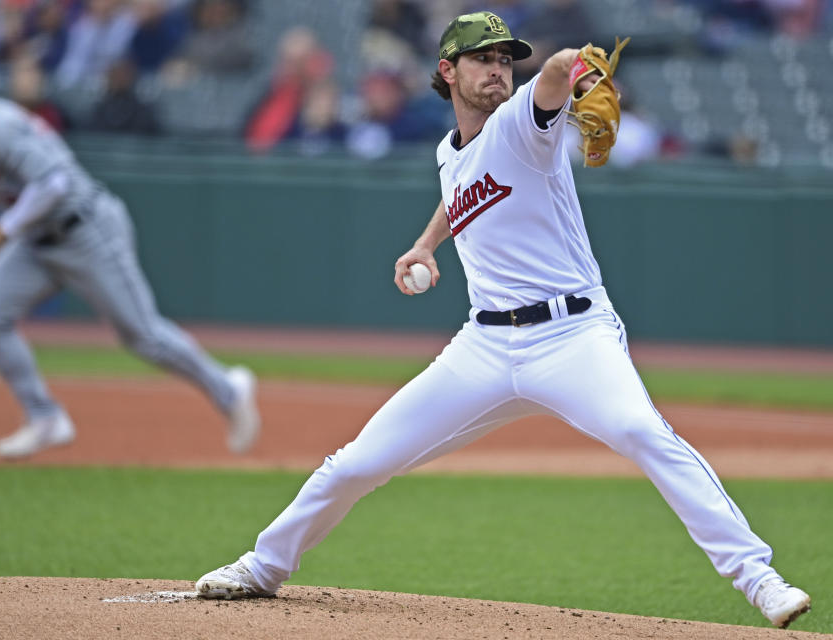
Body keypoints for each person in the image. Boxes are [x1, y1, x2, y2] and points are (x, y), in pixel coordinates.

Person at [193, 11, 812, 630]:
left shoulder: (522, 119)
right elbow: (461, 182)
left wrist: (573, 64)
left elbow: (553, 71)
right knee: (358, 462)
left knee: (643, 433)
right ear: (447, 70)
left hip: (573, 336)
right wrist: (426, 244)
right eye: (482, 58)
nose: (496, 69)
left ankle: (760, 580)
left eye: (502, 60)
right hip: (484, 347)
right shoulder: (451, 149)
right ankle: (264, 566)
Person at [0, 46, 260, 459]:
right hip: (38, 240)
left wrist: (3, 231)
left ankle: (229, 390)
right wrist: (12, 230)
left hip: (86, 231)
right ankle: (45, 416)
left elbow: (54, 184)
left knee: (142, 335)